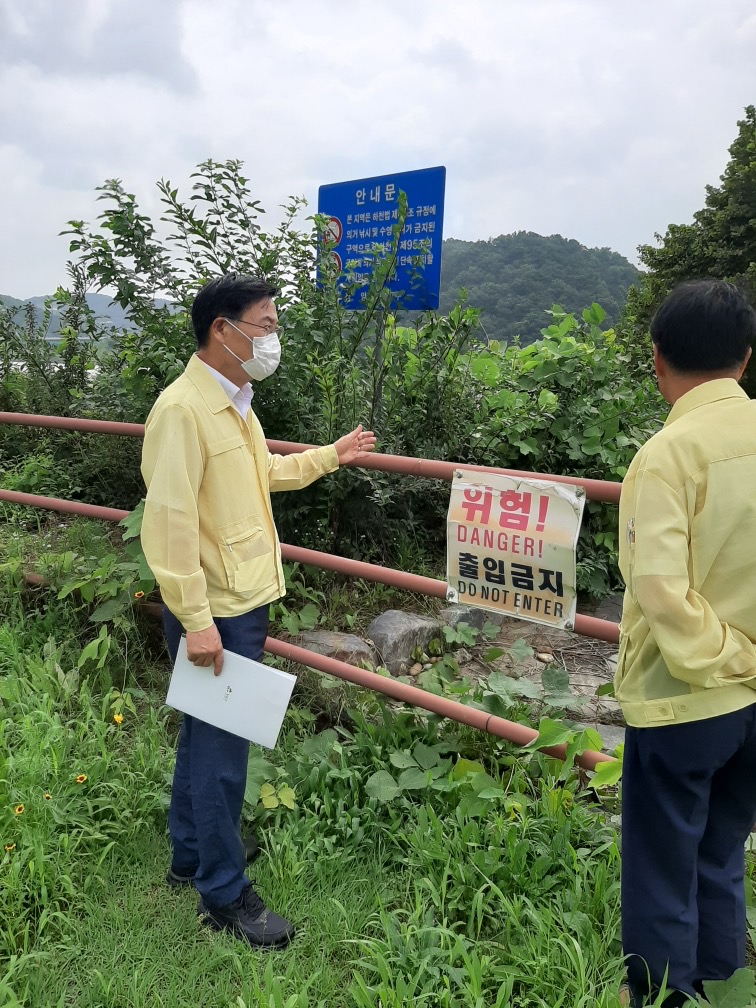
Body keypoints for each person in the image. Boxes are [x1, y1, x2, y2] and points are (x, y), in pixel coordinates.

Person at [140, 273, 376, 949]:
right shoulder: (184, 411)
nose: (273, 336)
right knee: (222, 753)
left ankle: (190, 856)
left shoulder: (234, 402)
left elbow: (261, 474)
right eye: (265, 324)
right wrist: (197, 620)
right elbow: (169, 524)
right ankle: (224, 894)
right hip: (215, 608)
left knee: (202, 737)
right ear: (224, 329)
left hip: (234, 599)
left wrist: (331, 456)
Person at [615, 278, 756, 1006]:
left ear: (658, 359)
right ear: (745, 356)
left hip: (685, 701)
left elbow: (660, 589)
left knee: (662, 857)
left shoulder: (668, 454)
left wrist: (732, 655)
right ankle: (722, 981)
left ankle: (664, 994)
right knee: (722, 849)